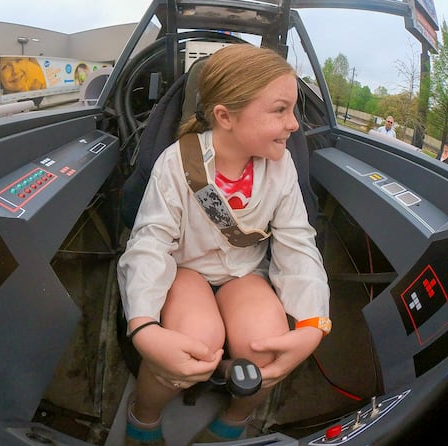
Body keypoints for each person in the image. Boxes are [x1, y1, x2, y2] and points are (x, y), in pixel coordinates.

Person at [117, 44, 330, 445]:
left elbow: (298, 243)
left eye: (293, 110)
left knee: (267, 347)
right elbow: (150, 242)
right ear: (225, 116)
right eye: (280, 110)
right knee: (196, 339)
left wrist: (313, 323)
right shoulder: (175, 162)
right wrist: (143, 326)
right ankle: (143, 417)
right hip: (186, 269)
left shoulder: (280, 168)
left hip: (245, 273)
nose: (295, 125)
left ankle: (233, 421)